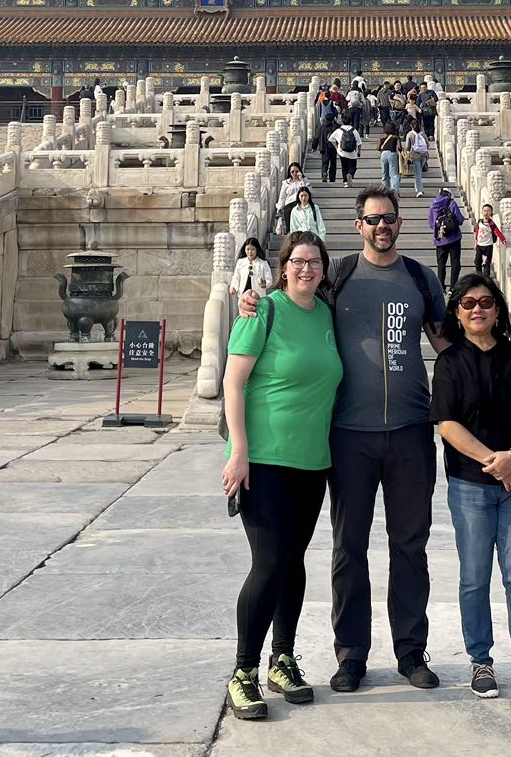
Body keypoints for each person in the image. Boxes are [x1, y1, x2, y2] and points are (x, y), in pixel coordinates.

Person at [236, 187, 458, 693]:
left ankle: (410, 650)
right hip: (348, 435)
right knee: (348, 548)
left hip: (408, 432)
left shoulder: (420, 279)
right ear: (357, 225)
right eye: (372, 219)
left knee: (410, 546)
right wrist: (255, 298)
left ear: (401, 223)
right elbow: (295, 300)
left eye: (390, 218)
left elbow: (452, 344)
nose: (382, 225)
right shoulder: (339, 278)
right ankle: (351, 654)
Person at [220, 232, 344, 721]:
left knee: (294, 562)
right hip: (265, 458)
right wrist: (239, 451)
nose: (306, 269)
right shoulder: (262, 311)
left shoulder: (328, 316)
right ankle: (244, 671)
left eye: (314, 261)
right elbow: (232, 382)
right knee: (268, 562)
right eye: (298, 261)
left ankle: (283, 658)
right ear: (283, 266)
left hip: (312, 461)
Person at [430, 273, 511, 705]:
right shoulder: (449, 362)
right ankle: (480, 661)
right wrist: (497, 464)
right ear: (457, 313)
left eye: (485, 302)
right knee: (474, 577)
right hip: (470, 484)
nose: (477, 309)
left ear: (498, 309)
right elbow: (447, 425)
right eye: (467, 304)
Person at [429, 187, 465, 290]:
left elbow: (431, 223)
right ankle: (453, 287)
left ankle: (441, 287)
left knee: (441, 264)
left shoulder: (433, 205)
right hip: (454, 238)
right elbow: (460, 220)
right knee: (455, 263)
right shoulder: (452, 203)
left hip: (440, 240)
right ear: (449, 194)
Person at [274, 163, 309, 238]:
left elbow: (307, 192)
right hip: (289, 205)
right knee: (289, 210)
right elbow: (282, 197)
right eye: (292, 172)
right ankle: (289, 232)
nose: (295, 173)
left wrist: (301, 179)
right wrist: (279, 208)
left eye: (296, 171)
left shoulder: (305, 180)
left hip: (301, 204)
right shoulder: (286, 183)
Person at [472, 203, 507, 277]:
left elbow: (497, 231)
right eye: (484, 211)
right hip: (479, 245)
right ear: (482, 212)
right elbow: (477, 232)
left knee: (487, 263)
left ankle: (486, 278)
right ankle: (479, 275)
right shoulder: (479, 222)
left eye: (488, 211)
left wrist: (503, 239)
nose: (486, 212)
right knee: (477, 261)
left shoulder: (491, 224)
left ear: (491, 212)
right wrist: (476, 242)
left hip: (488, 245)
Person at [333, 115, 362, 185]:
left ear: (342, 122)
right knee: (353, 166)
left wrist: (336, 147)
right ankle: (350, 174)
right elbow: (359, 142)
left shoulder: (339, 130)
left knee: (344, 167)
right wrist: (359, 151)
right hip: (353, 152)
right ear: (351, 122)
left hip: (342, 152)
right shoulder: (354, 130)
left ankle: (345, 181)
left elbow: (331, 139)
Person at [406, 122, 431, 197]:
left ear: (411, 126)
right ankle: (417, 187)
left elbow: (407, 146)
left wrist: (407, 153)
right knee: (419, 171)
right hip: (423, 155)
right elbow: (428, 144)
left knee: (418, 173)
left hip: (415, 155)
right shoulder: (423, 134)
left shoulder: (410, 134)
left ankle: (419, 190)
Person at [377, 122, 401, 192]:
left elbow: (378, 148)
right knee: (394, 173)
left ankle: (385, 189)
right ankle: (394, 190)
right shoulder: (396, 137)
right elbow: (399, 148)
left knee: (385, 173)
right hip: (392, 154)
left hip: (383, 154)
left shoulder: (382, 137)